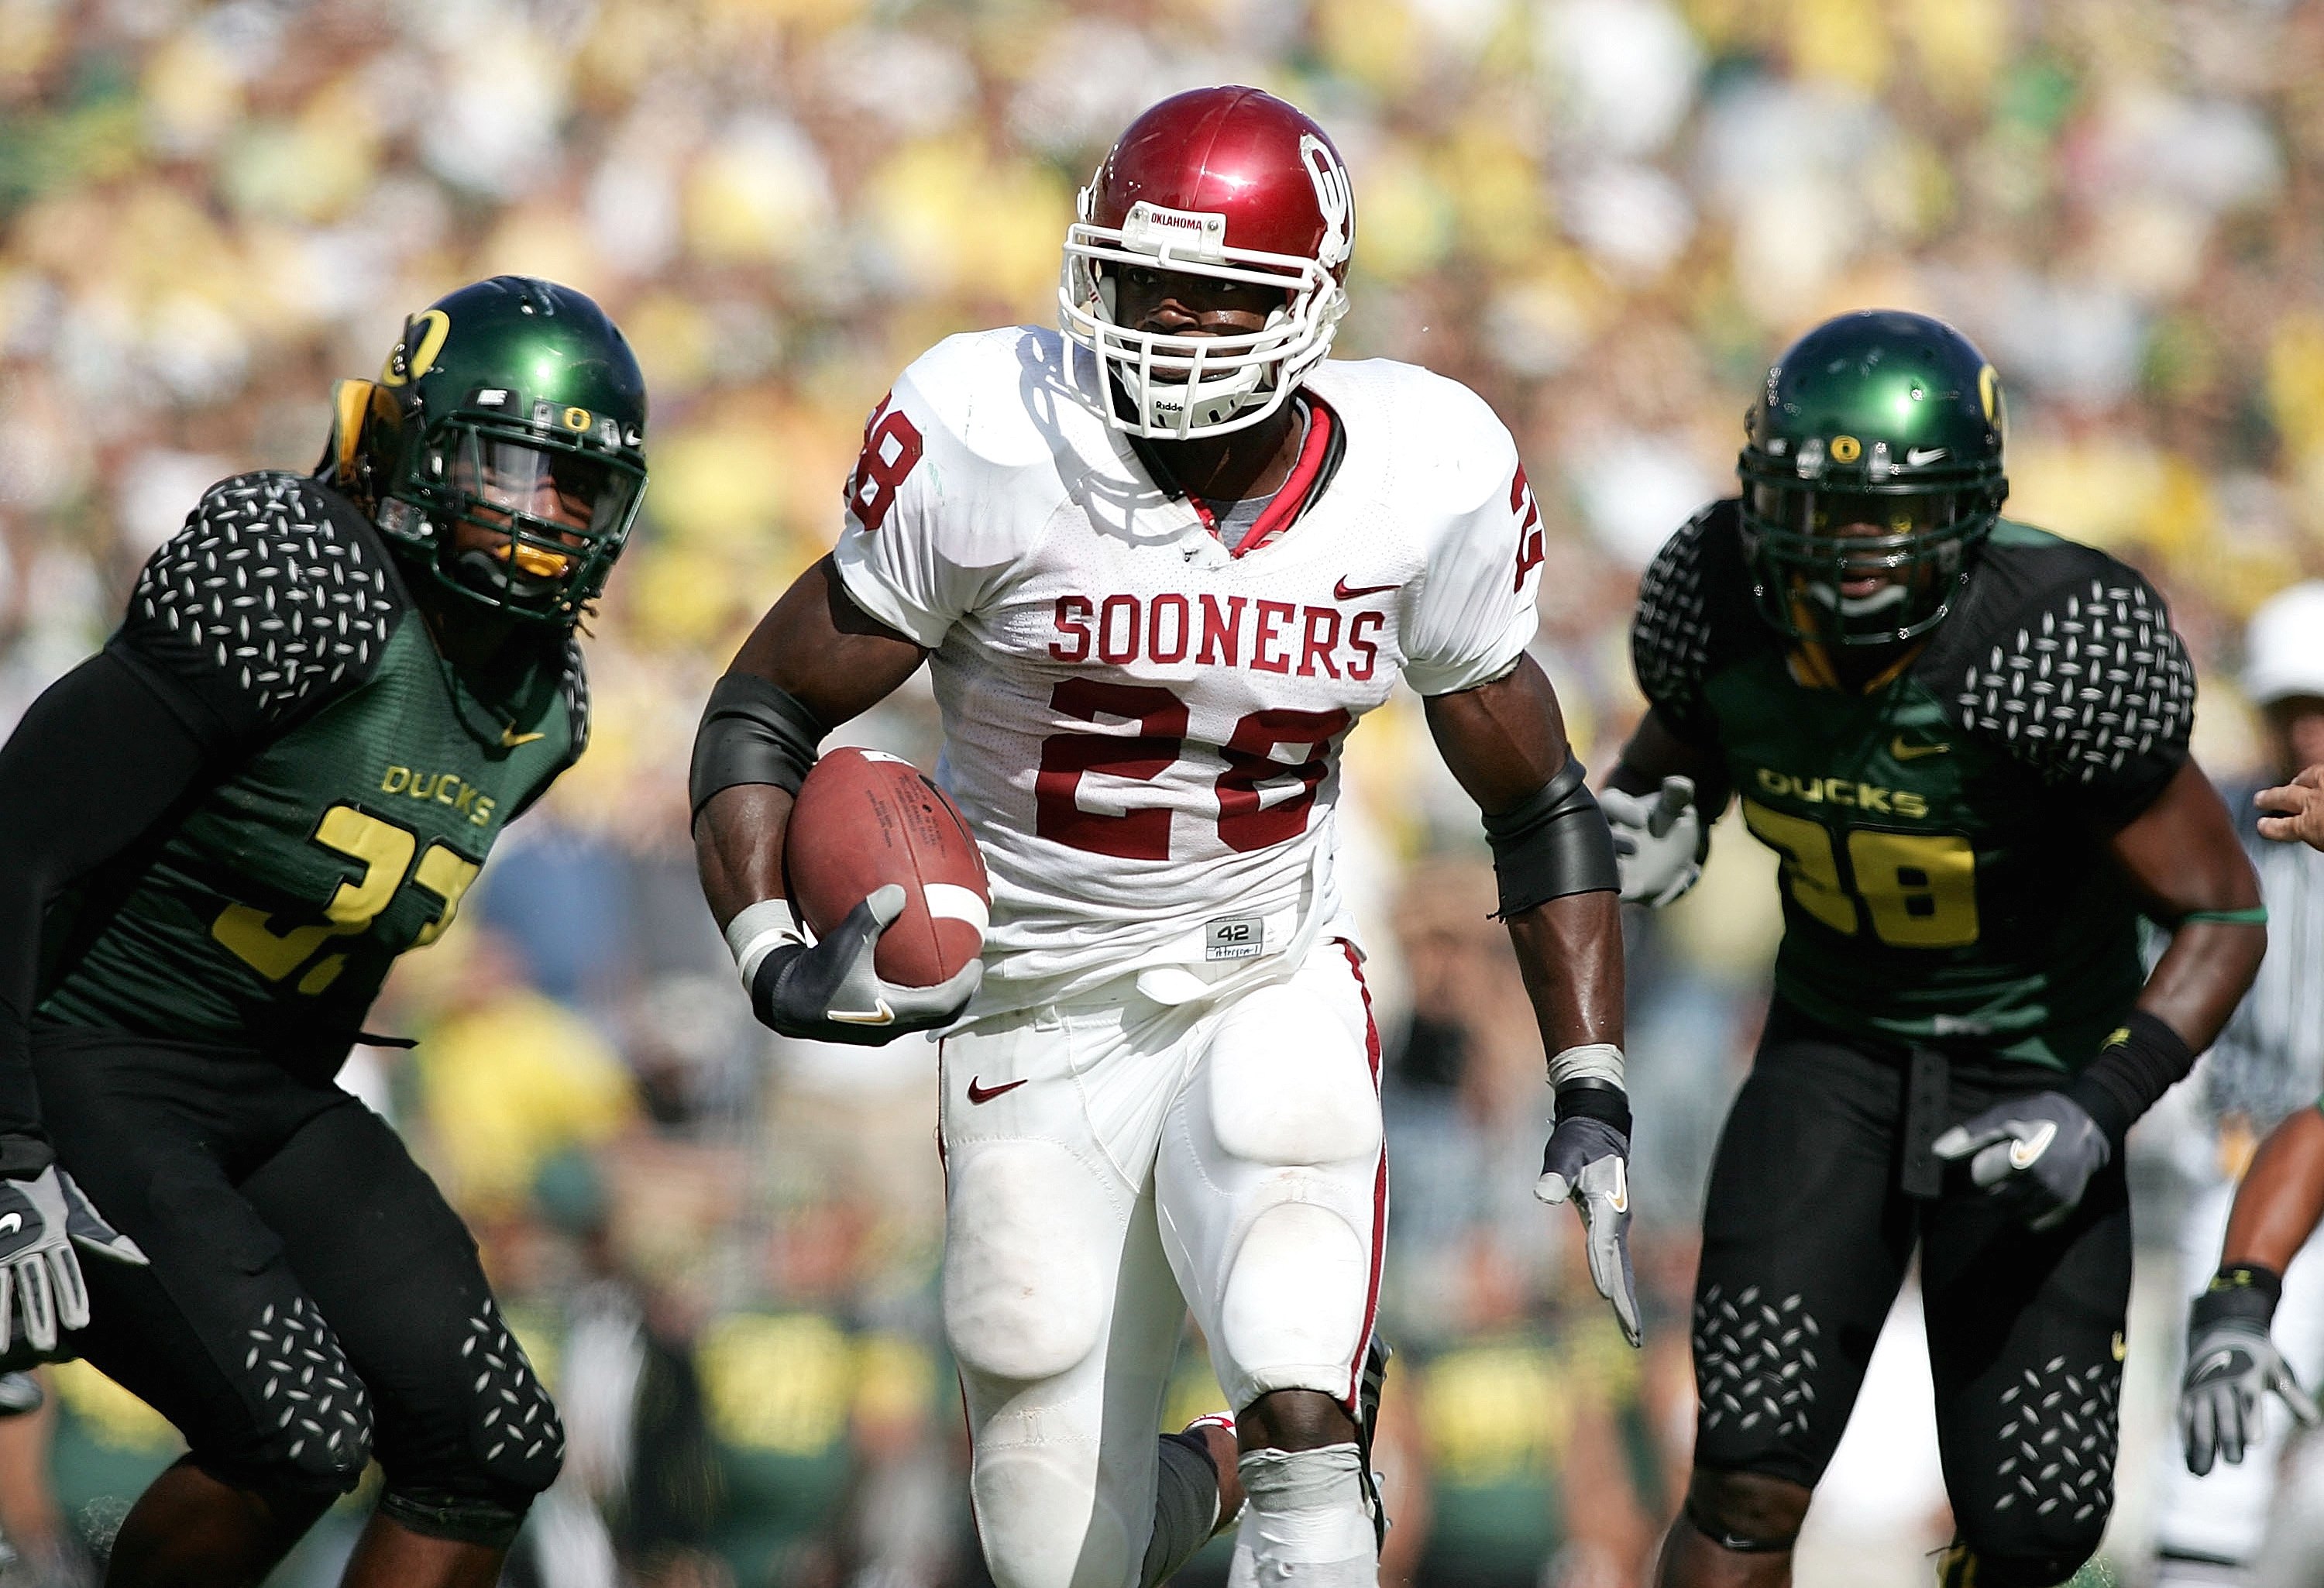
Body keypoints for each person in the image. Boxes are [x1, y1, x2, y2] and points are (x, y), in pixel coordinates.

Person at [691, 85, 1632, 1588]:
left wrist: (1593, 1085)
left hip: (1262, 967)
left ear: (1310, 300)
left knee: (1303, 1388)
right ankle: (1216, 1466)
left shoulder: (1420, 475)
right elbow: (760, 711)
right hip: (1025, 997)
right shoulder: (993, 436)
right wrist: (765, 951)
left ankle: (1299, 1454)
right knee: (1057, 1535)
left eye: (1222, 292)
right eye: (1143, 284)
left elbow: (1534, 801)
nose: (1174, 323)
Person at [0, 275, 648, 1588]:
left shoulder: (550, 703)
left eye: (571, 487)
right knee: (292, 1433)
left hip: (277, 1090)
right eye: (506, 465)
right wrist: (3, 1142)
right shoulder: (304, 582)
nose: (536, 516)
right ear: (406, 439)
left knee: (492, 1439)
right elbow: (20, 838)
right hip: (92, 1059)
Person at [1601, 309, 2265, 1588]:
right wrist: (1632, 836)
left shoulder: (2056, 641)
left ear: (1965, 508)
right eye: (1817, 504)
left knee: (2035, 1527)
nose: (1845, 547)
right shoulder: (1719, 594)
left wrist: (2097, 1104)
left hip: (2039, 1070)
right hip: (1833, 1060)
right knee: (1743, 1469)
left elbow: (2224, 913)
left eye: (1882, 514)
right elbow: (1652, 789)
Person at [2167, 583, 2324, 1585]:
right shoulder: (2214, 823)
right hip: (2250, 1168)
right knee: (2213, 1465)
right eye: (2292, 707)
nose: (2311, 730)